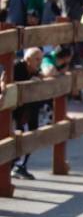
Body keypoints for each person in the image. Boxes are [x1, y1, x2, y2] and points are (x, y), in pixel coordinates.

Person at [10, 48, 43, 180]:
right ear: (28, 60)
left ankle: (20, 166)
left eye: (41, 59)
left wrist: (39, 78)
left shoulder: (34, 70)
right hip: (13, 111)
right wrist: (30, 83)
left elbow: (46, 75)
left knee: (32, 134)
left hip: (27, 110)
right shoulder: (16, 67)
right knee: (13, 137)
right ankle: (14, 166)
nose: (39, 62)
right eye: (37, 59)